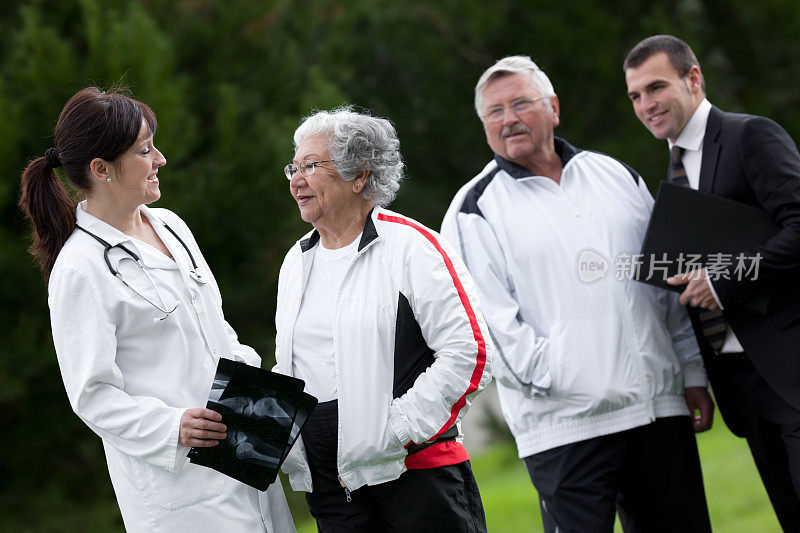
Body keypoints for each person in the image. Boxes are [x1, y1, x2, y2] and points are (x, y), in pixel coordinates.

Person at [441, 55, 713, 532]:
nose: (509, 119)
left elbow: (664, 284)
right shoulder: (473, 209)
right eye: (494, 112)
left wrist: (689, 369)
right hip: (566, 428)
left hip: (658, 411)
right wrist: (566, 377)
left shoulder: (614, 175)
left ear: (554, 108)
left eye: (521, 103)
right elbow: (491, 326)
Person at [18, 87, 295, 533]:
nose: (161, 158)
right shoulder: (79, 268)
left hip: (244, 458)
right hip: (178, 490)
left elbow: (217, 332)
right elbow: (92, 395)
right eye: (145, 150)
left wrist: (264, 405)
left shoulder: (171, 225)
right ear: (101, 169)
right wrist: (174, 427)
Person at [275, 107, 492, 532]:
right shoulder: (296, 261)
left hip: (413, 468)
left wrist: (396, 429)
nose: (295, 180)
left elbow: (470, 351)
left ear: (360, 176)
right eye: (293, 166)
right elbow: (299, 364)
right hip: (329, 482)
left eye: (311, 165)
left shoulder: (414, 246)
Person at [624, 34, 800, 530]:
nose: (646, 105)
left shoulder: (751, 136)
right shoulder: (673, 168)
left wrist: (723, 280)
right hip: (740, 382)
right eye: (635, 95)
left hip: (790, 366)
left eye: (656, 87)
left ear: (694, 79)